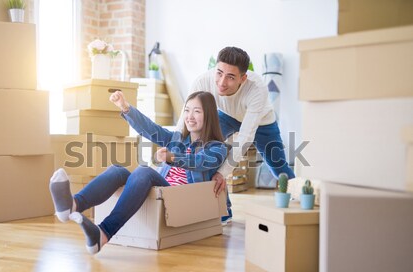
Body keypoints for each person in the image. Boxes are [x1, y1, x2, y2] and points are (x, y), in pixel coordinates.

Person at [49, 91, 228, 255]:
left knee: (143, 171)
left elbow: (200, 162)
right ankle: (73, 205)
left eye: (197, 111)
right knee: (118, 170)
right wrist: (126, 108)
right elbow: (151, 129)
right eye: (187, 110)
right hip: (160, 193)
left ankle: (104, 233)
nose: (190, 116)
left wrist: (172, 157)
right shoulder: (176, 139)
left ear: (209, 115)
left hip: (180, 197)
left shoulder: (216, 147)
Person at [177, 46, 295, 225]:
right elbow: (184, 118)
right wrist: (174, 147)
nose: (222, 82)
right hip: (226, 115)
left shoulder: (257, 89)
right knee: (205, 152)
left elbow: (245, 138)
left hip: (262, 121)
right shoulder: (203, 81)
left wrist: (222, 173)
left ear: (243, 78)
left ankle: (302, 200)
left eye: (231, 77)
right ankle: (223, 211)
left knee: (278, 166)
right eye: (219, 73)